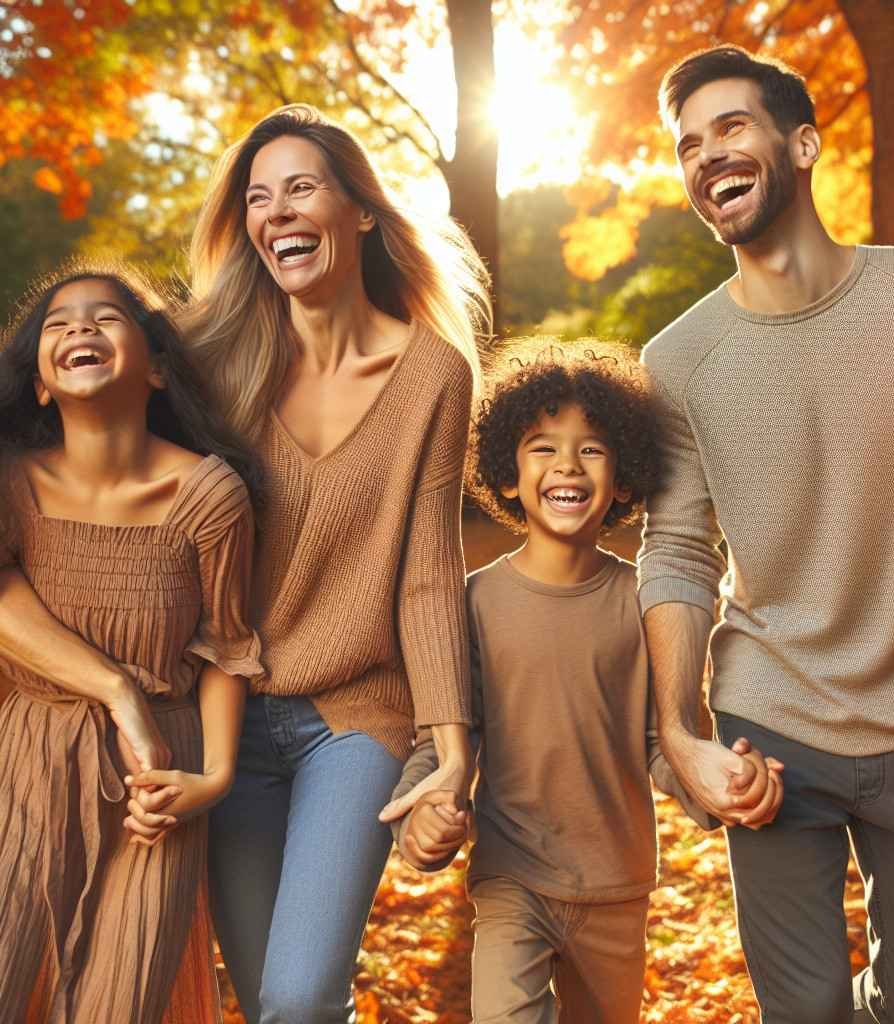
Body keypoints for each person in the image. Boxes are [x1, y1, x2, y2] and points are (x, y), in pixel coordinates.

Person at [642, 44, 894, 1024]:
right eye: (687, 144)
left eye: (729, 126)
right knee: (802, 1013)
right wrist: (680, 733)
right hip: (770, 729)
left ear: (801, 142)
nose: (704, 155)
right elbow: (678, 549)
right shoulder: (679, 359)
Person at [174, 104, 491, 1023]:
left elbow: (428, 570)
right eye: (259, 198)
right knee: (270, 996)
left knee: (300, 995)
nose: (277, 213)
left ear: (358, 210)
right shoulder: (210, 362)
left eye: (301, 187)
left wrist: (451, 745)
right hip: (225, 716)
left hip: (351, 716)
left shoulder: (432, 371)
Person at [380, 340, 782, 1023]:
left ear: (625, 479)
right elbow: (445, 734)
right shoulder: (469, 605)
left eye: (592, 448)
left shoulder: (646, 605)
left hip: (617, 887)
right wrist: (422, 819)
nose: (567, 463)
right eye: (543, 446)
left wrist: (721, 788)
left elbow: (665, 742)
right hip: (512, 879)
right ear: (508, 474)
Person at [0, 265, 263, 1023]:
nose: (80, 327)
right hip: (25, 758)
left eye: (106, 317)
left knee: (122, 1004)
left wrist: (208, 781)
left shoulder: (211, 495)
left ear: (155, 368)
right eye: (58, 322)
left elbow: (225, 647)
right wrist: (116, 690)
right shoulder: (11, 484)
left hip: (159, 788)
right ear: (42, 384)